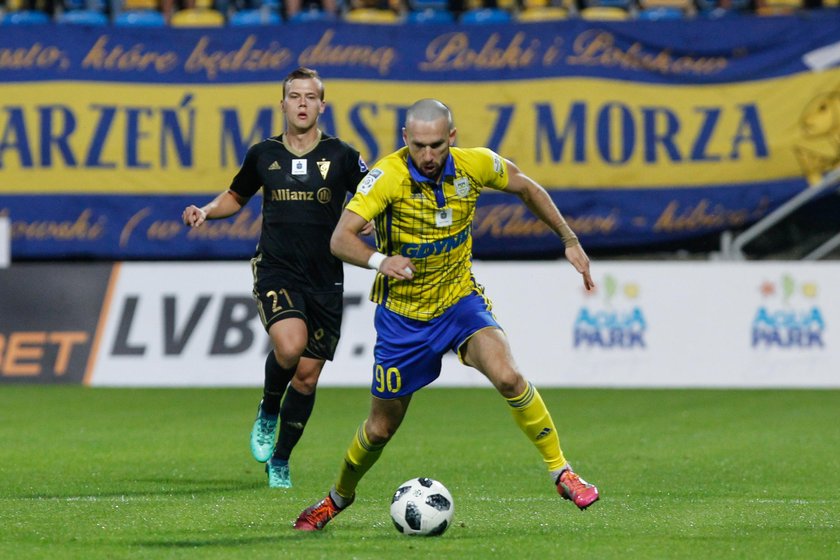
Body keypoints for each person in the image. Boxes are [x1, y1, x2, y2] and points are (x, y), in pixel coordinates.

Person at [293, 98, 599, 531]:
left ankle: (561, 471)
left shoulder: (475, 165)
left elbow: (527, 186)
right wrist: (381, 261)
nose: (429, 155)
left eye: (437, 145)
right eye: (419, 145)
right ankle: (336, 499)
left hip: (459, 304)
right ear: (405, 139)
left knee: (510, 377)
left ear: (451, 138)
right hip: (404, 319)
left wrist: (568, 239)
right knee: (379, 429)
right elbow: (340, 239)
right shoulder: (387, 177)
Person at [182, 67, 369, 489]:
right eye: (294, 96)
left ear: (323, 105)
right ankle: (268, 409)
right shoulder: (262, 154)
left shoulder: (342, 155)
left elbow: (373, 194)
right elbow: (236, 196)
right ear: (282, 104)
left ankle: (280, 459)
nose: (302, 104)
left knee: (306, 377)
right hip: (277, 269)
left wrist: (368, 221)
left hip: (326, 277)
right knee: (290, 345)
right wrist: (208, 211)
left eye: (310, 97)